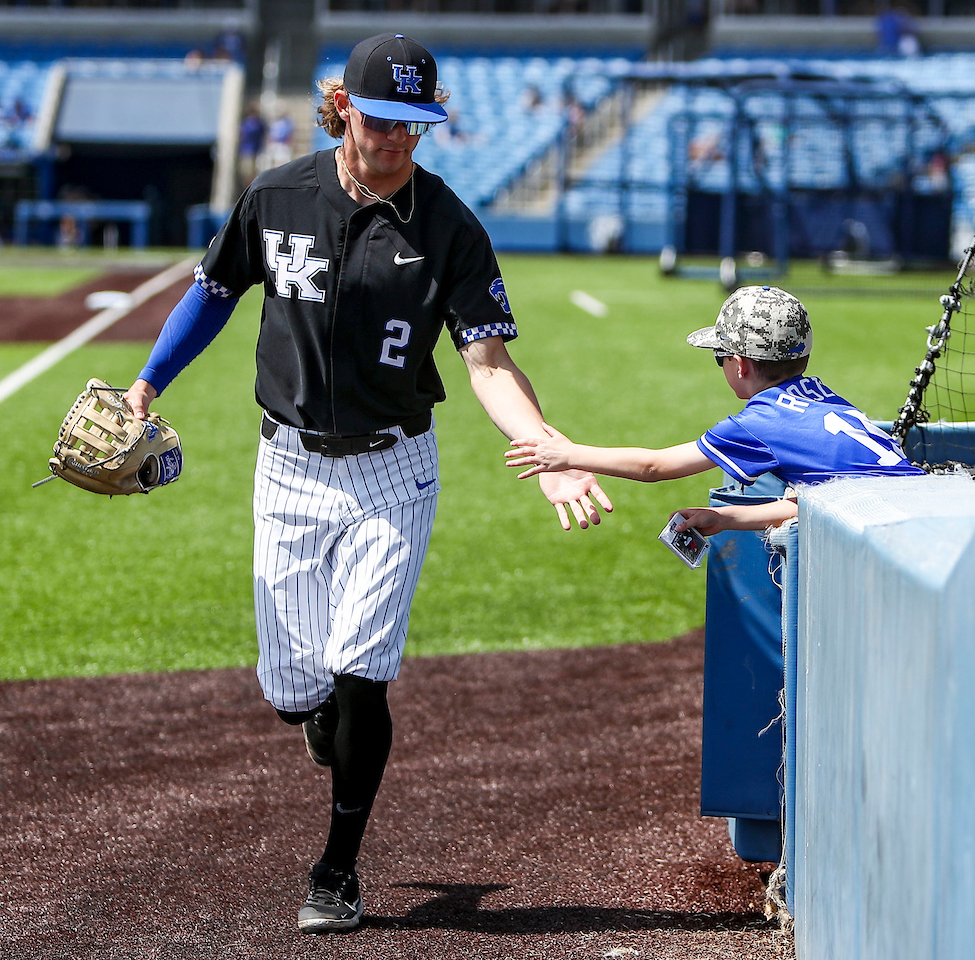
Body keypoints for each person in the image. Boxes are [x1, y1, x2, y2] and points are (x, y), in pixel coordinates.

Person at [122, 32, 611, 935]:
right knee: (293, 691)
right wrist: (149, 381)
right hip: (289, 465)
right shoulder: (277, 195)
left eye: (416, 124)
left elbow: (490, 361)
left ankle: (338, 870)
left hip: (395, 466)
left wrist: (549, 449)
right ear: (342, 105)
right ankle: (315, 715)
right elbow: (214, 292)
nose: (398, 140)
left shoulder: (450, 225)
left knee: (363, 676)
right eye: (383, 118)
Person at [505, 285, 925, 534]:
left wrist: (568, 455)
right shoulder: (819, 394)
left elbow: (656, 466)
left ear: (739, 365)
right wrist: (724, 518)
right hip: (924, 506)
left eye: (719, 357)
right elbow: (817, 502)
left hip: (898, 532)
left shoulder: (763, 421)